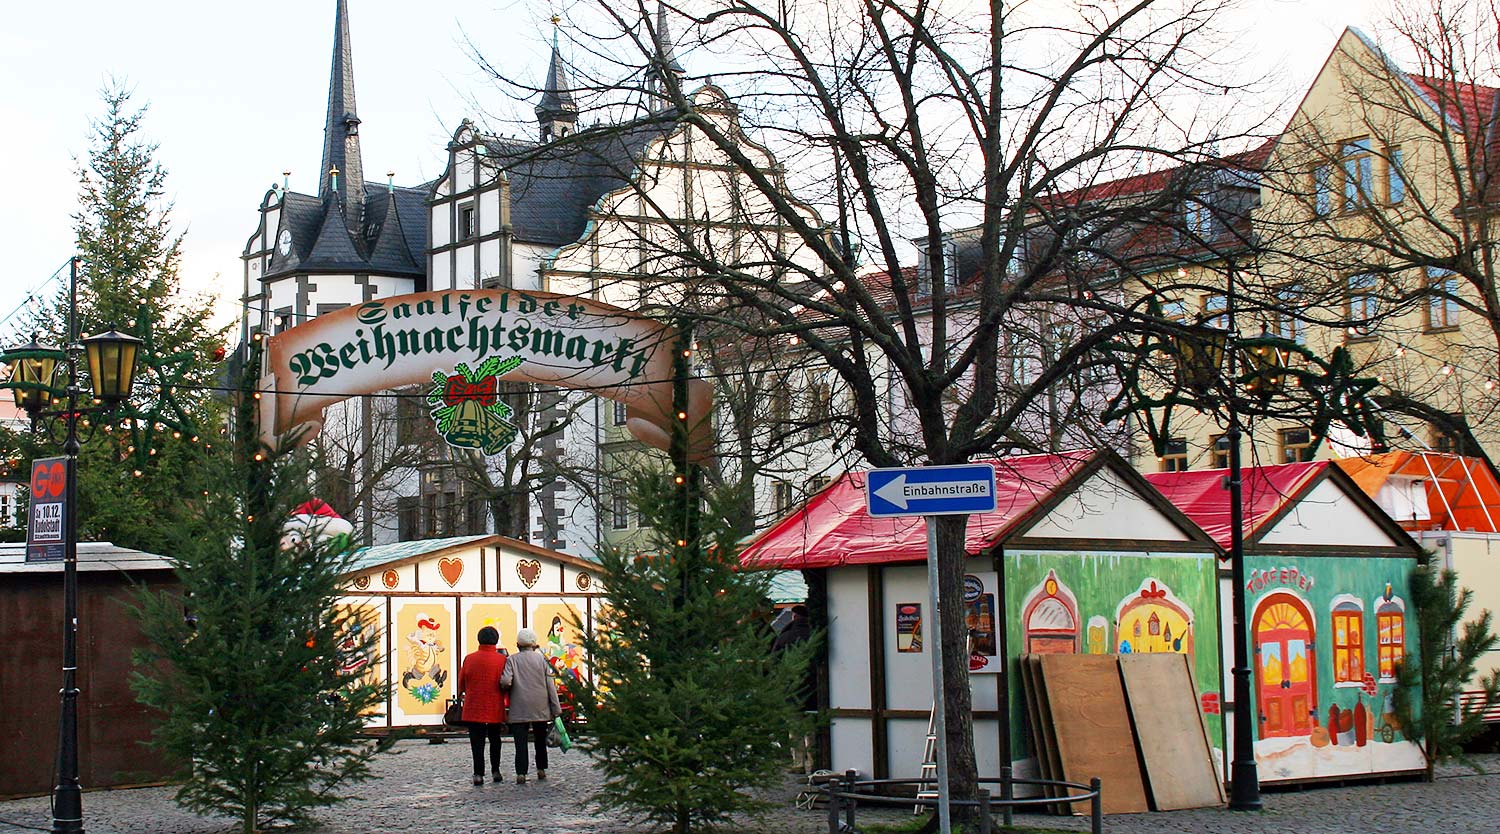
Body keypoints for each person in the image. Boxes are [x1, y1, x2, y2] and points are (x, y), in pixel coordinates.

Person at [501, 626, 562, 783]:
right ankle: (541, 769)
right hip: (540, 706)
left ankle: (521, 773)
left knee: (520, 741)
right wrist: (556, 708)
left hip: (519, 707)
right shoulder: (542, 660)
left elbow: (506, 681)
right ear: (534, 644)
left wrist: (505, 687)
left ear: (518, 644)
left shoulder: (511, 660)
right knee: (540, 739)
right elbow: (550, 685)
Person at [457, 626, 508, 785]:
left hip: (474, 706)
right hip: (494, 706)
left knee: (476, 742)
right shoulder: (502, 660)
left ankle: (478, 773)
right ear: (496, 640)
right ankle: (496, 770)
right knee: (495, 739)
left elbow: (462, 684)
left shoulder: (469, 658)